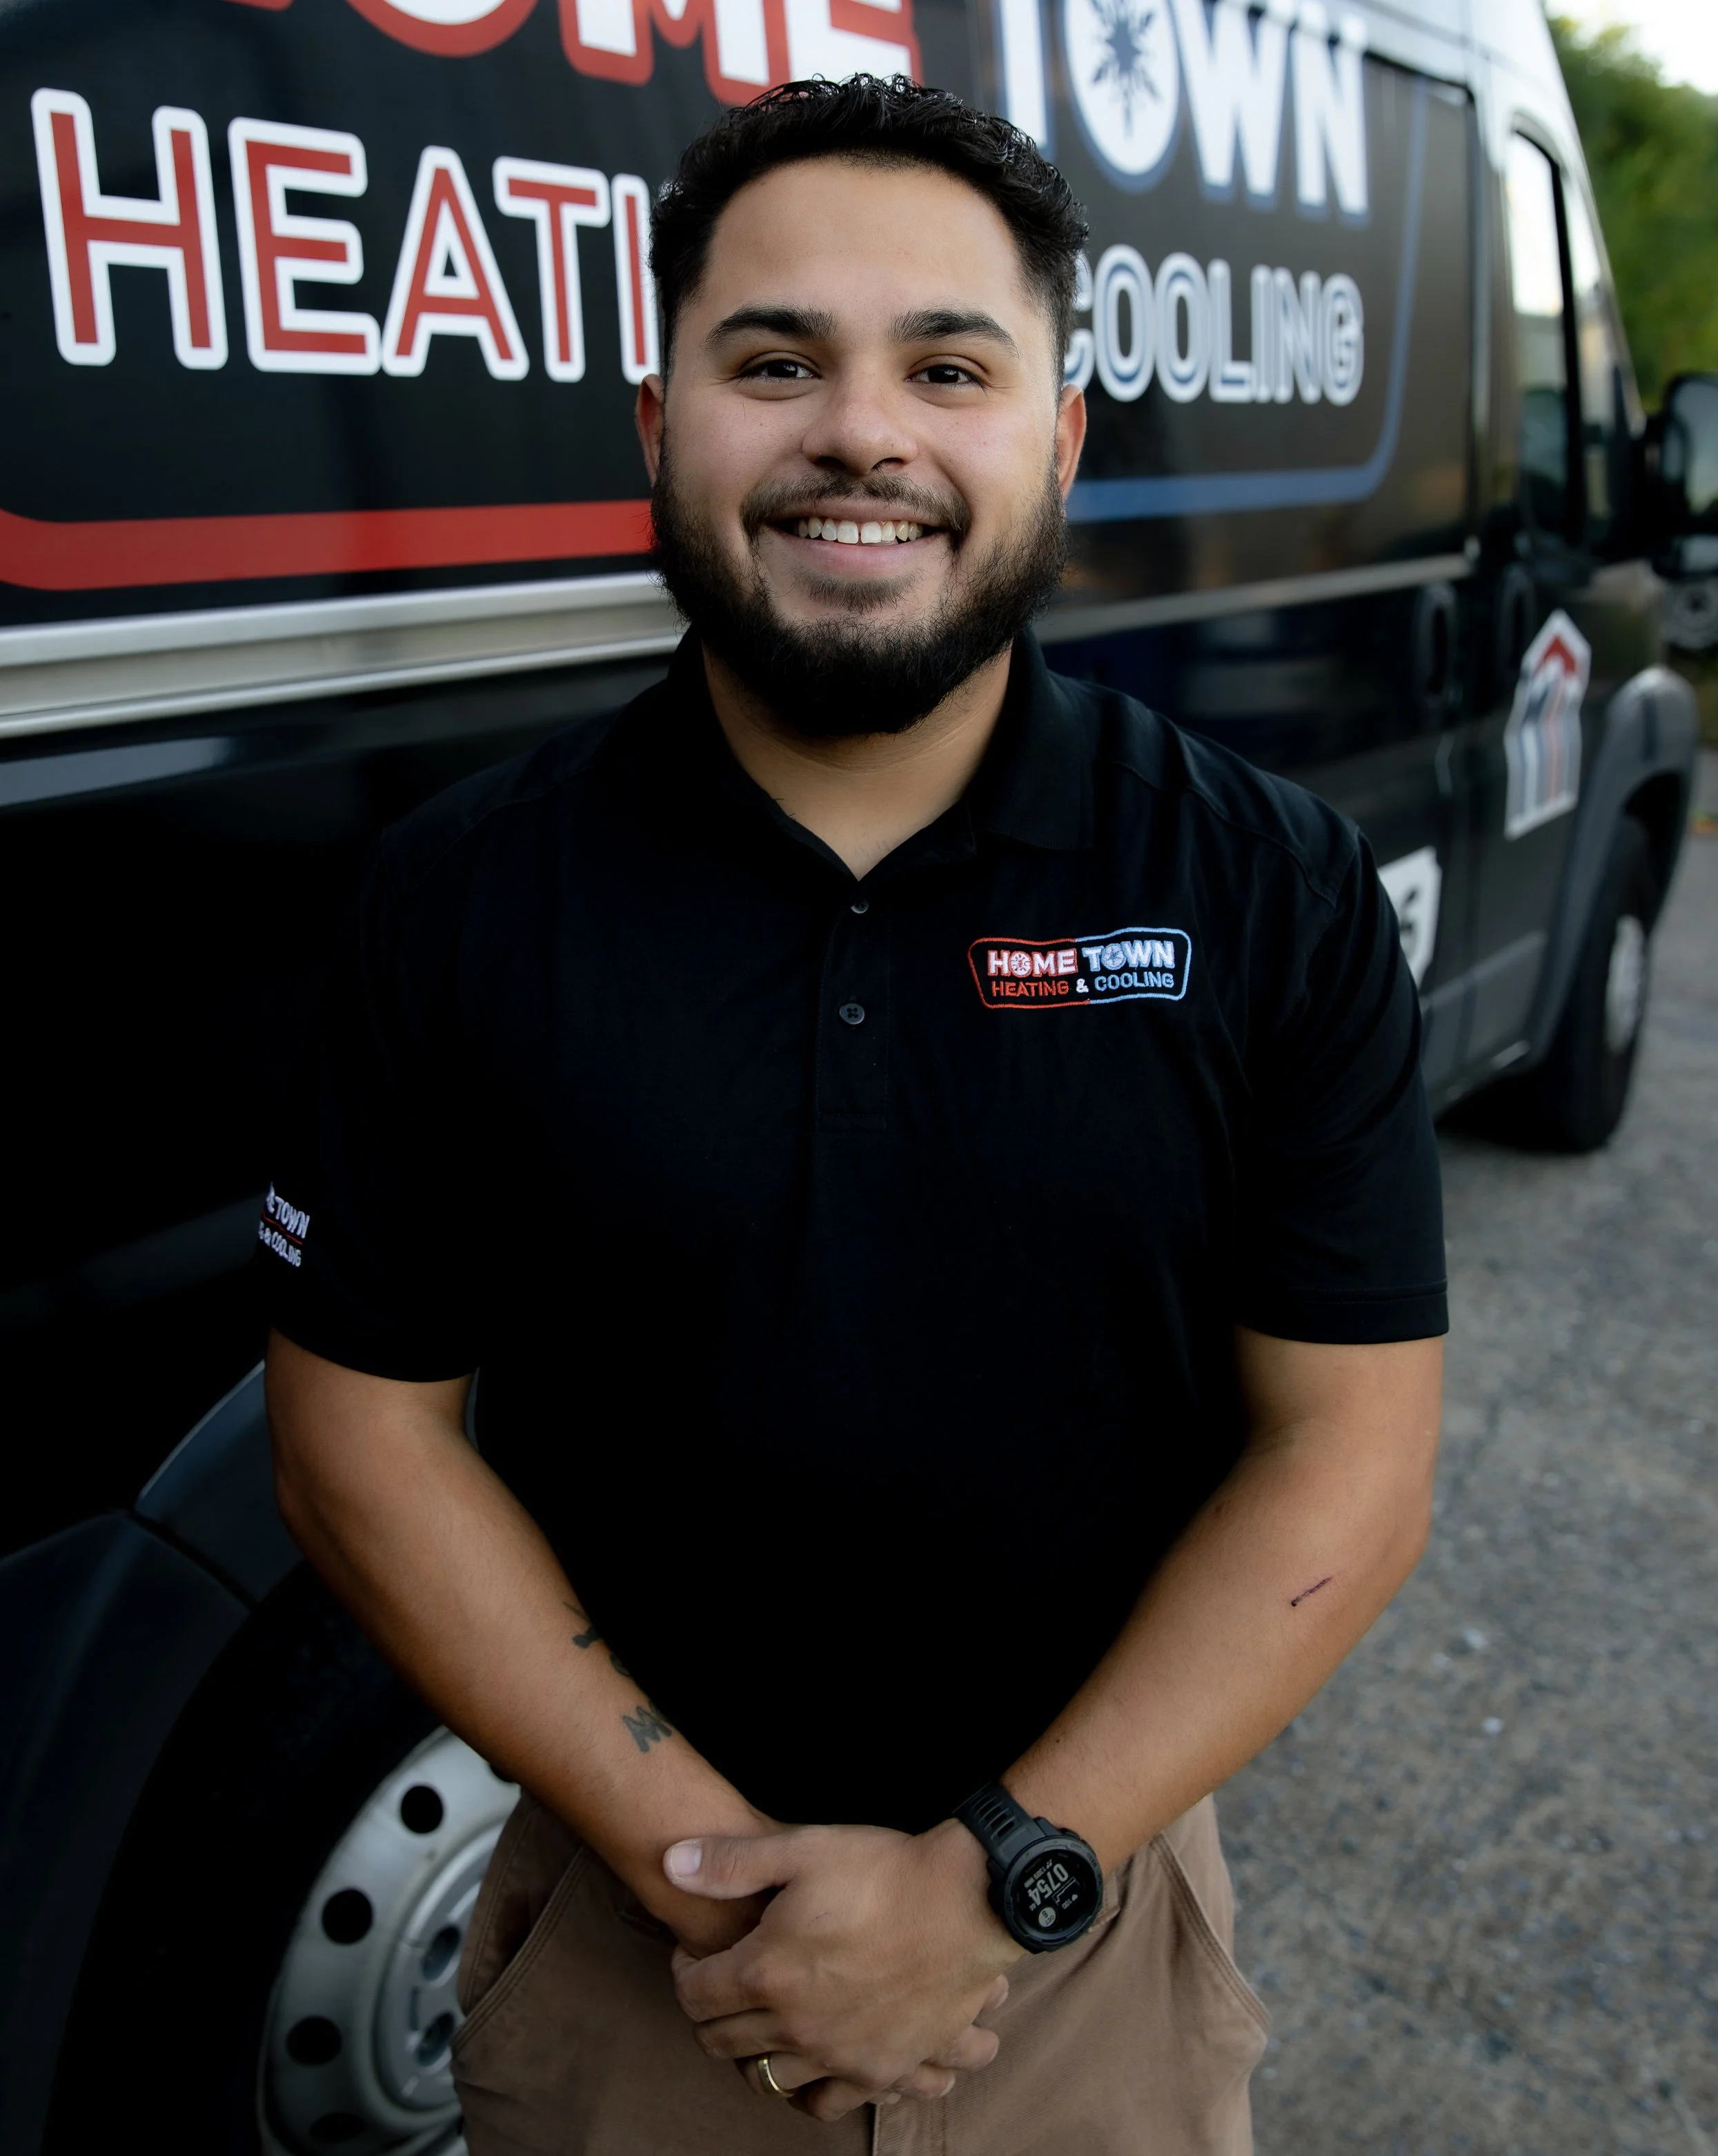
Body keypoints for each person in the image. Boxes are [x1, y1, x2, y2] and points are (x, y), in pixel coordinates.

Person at [262, 75, 1446, 2156]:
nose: (861, 434)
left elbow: (1345, 1450)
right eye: (775, 358)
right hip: (645, 1955)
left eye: (949, 364)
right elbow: (359, 1434)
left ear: (1056, 442)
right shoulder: (459, 901)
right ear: (658, 426)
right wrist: (710, 1868)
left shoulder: (1263, 888)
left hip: (1079, 1972)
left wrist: (1000, 1875)